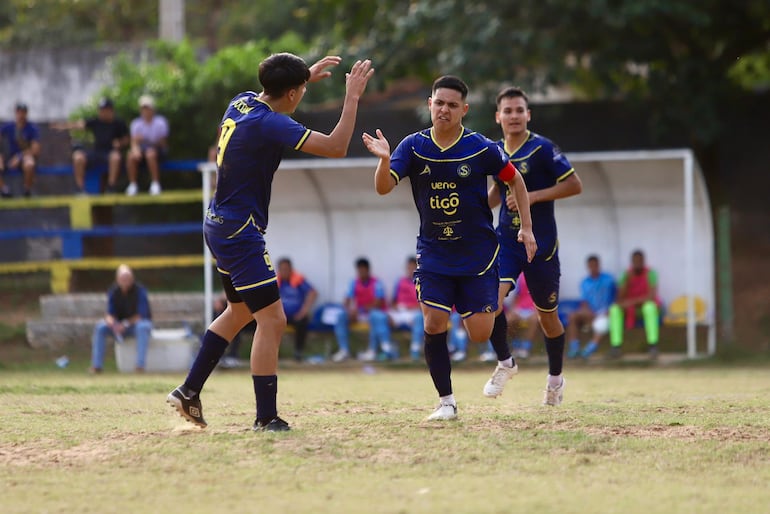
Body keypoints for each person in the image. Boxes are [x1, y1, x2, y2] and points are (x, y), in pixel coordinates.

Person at [167, 53, 374, 432]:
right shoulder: (272, 124)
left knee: (241, 312)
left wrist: (302, 79)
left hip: (217, 222)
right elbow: (336, 146)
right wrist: (352, 97)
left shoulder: (242, 101)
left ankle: (189, 391)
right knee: (273, 319)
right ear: (293, 93)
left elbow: (278, 99)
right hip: (240, 231)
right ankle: (265, 417)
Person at [362, 75, 536, 420]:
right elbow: (383, 188)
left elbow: (514, 179)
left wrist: (527, 229)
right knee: (433, 323)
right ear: (429, 104)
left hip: (478, 255)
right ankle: (446, 403)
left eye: (452, 105)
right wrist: (384, 160)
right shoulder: (412, 146)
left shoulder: (481, 147)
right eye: (439, 103)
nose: (444, 109)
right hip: (433, 253)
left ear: (464, 110)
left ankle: (506, 360)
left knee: (478, 334)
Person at [484, 86, 582, 406]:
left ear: (529, 114)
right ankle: (505, 363)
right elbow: (498, 192)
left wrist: (531, 195)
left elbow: (574, 184)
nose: (514, 116)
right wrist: (478, 208)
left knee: (548, 318)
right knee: (491, 302)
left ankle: (555, 380)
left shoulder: (542, 149)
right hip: (506, 242)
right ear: (498, 117)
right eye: (507, 111)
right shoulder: (494, 151)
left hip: (541, 244)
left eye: (519, 110)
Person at [52, 97, 130, 194]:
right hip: (96, 152)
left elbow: (127, 139)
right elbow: (79, 125)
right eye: (100, 110)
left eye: (104, 110)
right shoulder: (96, 121)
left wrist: (119, 143)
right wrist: (62, 126)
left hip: (110, 153)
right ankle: (80, 188)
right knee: (78, 157)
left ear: (111, 111)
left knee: (115, 157)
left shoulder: (119, 123)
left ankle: (111, 186)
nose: (102, 112)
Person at [90, 264, 153, 373]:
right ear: (118, 279)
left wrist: (125, 324)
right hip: (118, 327)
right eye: (123, 279)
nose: (125, 281)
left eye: (128, 279)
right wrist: (112, 323)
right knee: (100, 327)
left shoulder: (140, 291)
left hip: (134, 326)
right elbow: (110, 313)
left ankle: (140, 366)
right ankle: (97, 366)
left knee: (143, 326)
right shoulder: (114, 291)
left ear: (132, 279)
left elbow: (141, 314)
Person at [332, 257, 394, 362]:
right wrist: (350, 311)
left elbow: (378, 303)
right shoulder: (354, 282)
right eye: (359, 270)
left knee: (376, 316)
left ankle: (376, 350)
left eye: (363, 270)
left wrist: (360, 310)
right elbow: (346, 301)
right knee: (341, 316)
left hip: (372, 313)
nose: (361, 273)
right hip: (360, 314)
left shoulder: (376, 283)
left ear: (368, 270)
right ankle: (344, 350)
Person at [609, 249, 661, 359]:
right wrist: (627, 282)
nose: (637, 263)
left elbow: (651, 296)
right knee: (614, 310)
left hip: (643, 306)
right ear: (632, 262)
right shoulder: (626, 274)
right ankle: (616, 346)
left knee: (650, 308)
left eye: (639, 261)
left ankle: (653, 345)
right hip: (630, 308)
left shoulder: (650, 273)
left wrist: (632, 302)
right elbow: (619, 297)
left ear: (643, 261)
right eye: (635, 261)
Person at [566, 255, 616, 359]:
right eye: (591, 266)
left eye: (595, 265)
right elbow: (584, 301)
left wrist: (610, 310)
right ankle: (574, 348)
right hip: (591, 313)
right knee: (572, 316)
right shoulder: (585, 282)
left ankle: (589, 349)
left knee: (602, 325)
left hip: (605, 312)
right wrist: (587, 311)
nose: (593, 267)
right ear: (588, 266)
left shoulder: (609, 279)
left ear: (599, 265)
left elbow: (617, 296)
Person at [276, 257, 318, 362]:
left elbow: (313, 293)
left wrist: (304, 311)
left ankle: (298, 352)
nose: (284, 271)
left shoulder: (298, 280)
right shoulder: (275, 281)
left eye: (287, 269)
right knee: (268, 325)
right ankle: (275, 353)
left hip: (296, 315)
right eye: (282, 269)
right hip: (280, 315)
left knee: (303, 321)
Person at [126, 95, 169, 196]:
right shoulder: (136, 123)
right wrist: (136, 150)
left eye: (147, 108)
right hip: (142, 151)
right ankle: (133, 185)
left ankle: (155, 184)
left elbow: (163, 143)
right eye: (143, 109)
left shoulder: (160, 122)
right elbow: (134, 142)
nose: (145, 111)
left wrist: (147, 140)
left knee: (150, 153)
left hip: (158, 151)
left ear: (153, 109)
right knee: (131, 156)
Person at [0, 102, 40, 197]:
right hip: (9, 158)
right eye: (19, 112)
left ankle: (27, 191)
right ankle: (4, 190)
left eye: (23, 112)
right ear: (16, 113)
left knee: (29, 163)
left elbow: (35, 150)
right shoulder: (9, 127)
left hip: (25, 158)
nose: (21, 115)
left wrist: (19, 157)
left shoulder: (32, 128)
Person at [389, 256, 424, 361]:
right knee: (381, 318)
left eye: (413, 267)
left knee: (419, 317)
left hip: (414, 313)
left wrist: (411, 308)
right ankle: (388, 350)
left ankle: (415, 350)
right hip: (400, 312)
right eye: (408, 267)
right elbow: (392, 301)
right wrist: (396, 307)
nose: (410, 270)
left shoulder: (422, 282)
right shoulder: (400, 281)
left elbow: (423, 304)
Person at [505, 272, 539, 360]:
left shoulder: (544, 273)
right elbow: (517, 295)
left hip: (535, 308)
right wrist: (512, 310)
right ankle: (516, 346)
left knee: (534, 320)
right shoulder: (520, 275)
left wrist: (538, 310)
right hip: (520, 307)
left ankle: (525, 348)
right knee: (508, 320)